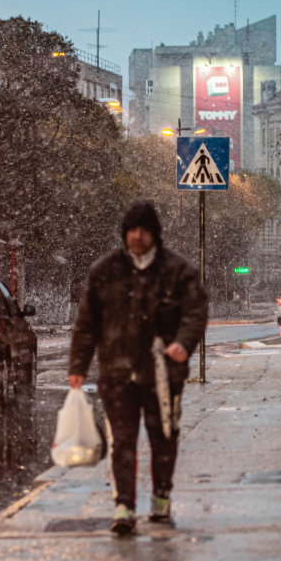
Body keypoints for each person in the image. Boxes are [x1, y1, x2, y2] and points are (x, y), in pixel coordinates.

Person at [69, 199, 208, 535]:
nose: (137, 236)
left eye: (144, 230)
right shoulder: (105, 271)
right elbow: (87, 322)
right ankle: (124, 507)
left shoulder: (178, 271)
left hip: (163, 374)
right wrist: (78, 365)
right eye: (132, 230)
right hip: (117, 374)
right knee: (122, 442)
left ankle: (161, 498)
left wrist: (183, 344)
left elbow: (196, 311)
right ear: (124, 233)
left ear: (155, 234)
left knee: (164, 436)